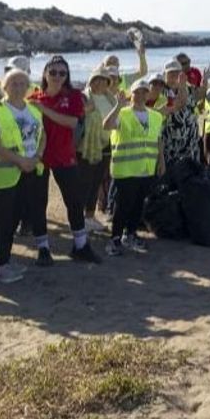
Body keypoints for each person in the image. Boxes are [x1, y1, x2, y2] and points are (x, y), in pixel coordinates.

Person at [28, 56, 98, 265]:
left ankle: (80, 246)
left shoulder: (73, 96)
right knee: (38, 202)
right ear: (45, 74)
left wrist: (45, 110)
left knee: (74, 201)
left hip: (64, 156)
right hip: (39, 157)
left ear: (67, 76)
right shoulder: (34, 97)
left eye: (62, 73)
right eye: (53, 72)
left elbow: (72, 123)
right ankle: (43, 249)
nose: (57, 76)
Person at [0, 68, 46, 282]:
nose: (18, 88)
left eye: (22, 84)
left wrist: (37, 157)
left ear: (28, 87)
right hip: (2, 175)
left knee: (13, 219)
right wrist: (20, 160)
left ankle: (6, 259)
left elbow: (42, 136)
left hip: (28, 172)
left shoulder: (34, 111)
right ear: (4, 87)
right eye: (13, 83)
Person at [102, 79, 165, 256]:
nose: (141, 95)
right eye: (137, 92)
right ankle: (114, 239)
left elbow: (158, 140)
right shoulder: (123, 113)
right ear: (132, 94)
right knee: (123, 206)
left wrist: (161, 161)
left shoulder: (156, 116)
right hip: (125, 169)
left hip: (146, 168)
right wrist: (117, 106)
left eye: (144, 92)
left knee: (138, 205)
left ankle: (129, 235)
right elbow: (106, 125)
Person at [77, 66, 116, 232]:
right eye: (96, 79)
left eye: (103, 80)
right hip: (86, 147)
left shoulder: (111, 98)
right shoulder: (84, 97)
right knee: (84, 183)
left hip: (106, 144)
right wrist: (84, 110)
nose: (100, 83)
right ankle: (78, 219)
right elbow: (75, 115)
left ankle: (90, 217)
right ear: (91, 81)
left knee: (96, 182)